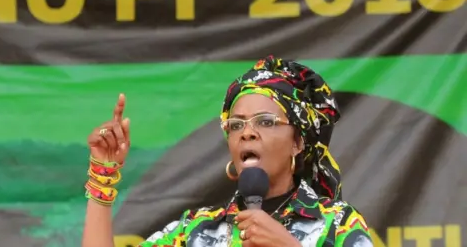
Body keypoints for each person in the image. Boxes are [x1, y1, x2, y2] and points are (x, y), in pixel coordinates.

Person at [81, 55, 374, 247]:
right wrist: (102, 175)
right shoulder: (194, 231)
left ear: (297, 142)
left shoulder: (338, 224)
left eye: (266, 121)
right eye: (236, 125)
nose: (247, 132)